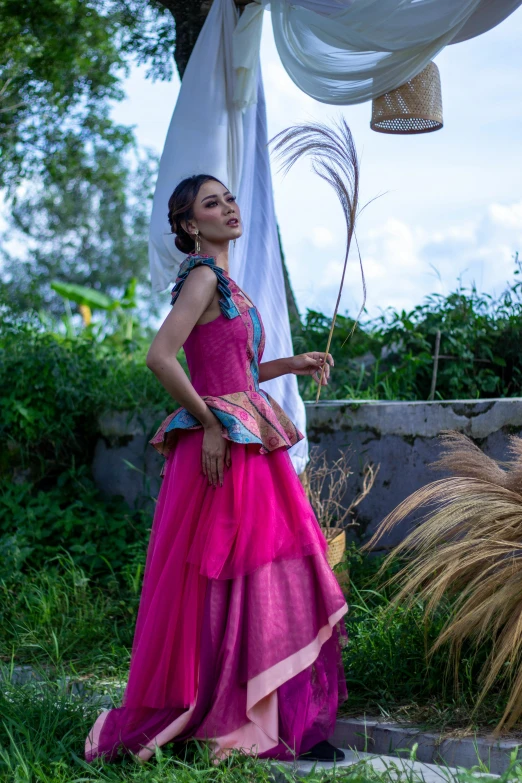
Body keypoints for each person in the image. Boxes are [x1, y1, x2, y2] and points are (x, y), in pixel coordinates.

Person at [85, 174, 348, 764]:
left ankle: (270, 715)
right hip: (223, 447)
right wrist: (207, 424)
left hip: (250, 442)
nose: (229, 207)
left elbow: (234, 368)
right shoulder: (203, 278)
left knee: (268, 575)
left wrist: (292, 364)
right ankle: (229, 717)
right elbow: (160, 356)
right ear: (187, 225)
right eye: (212, 203)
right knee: (236, 577)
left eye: (230, 198)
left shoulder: (228, 282)